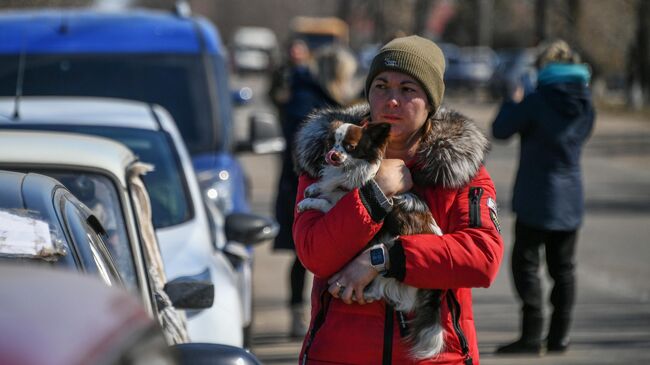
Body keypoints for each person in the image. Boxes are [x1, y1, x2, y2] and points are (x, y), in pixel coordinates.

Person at [292, 35, 503, 364]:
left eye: (408, 90)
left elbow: (483, 257)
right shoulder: (327, 157)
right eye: (381, 86)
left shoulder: (460, 168)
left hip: (437, 356)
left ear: (430, 101)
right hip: (339, 354)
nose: (391, 101)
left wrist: (384, 259)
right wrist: (376, 193)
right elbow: (314, 252)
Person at [492, 39, 595, 355]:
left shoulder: (537, 101)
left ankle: (531, 335)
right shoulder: (586, 104)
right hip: (571, 197)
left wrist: (513, 99)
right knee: (563, 268)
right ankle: (560, 336)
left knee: (525, 264)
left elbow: (500, 130)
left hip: (536, 197)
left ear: (545, 69)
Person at [270, 39, 359, 338]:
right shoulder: (306, 100)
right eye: (345, 75)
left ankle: (318, 315)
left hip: (328, 185)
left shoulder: (329, 98)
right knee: (303, 252)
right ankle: (298, 314)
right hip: (303, 186)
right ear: (334, 74)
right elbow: (300, 150)